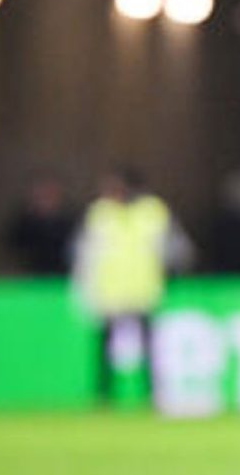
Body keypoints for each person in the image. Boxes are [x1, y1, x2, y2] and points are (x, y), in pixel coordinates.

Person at [73, 167, 181, 406]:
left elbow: (174, 248)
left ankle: (152, 394)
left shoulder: (152, 211)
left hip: (143, 290)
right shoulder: (100, 213)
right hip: (110, 291)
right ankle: (103, 394)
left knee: (148, 346)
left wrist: (170, 274)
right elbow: (84, 252)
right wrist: (84, 287)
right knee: (105, 346)